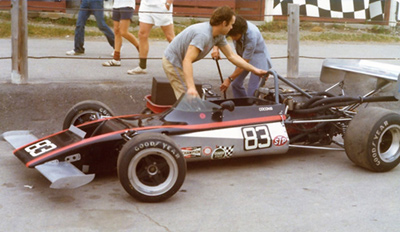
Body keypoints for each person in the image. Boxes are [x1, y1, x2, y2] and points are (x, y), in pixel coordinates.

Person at [162, 6, 268, 99]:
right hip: (173, 62)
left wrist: (255, 70)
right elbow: (187, 60)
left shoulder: (219, 36)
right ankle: (188, 118)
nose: (232, 28)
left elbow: (232, 56)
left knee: (192, 100)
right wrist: (191, 87)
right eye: (231, 24)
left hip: (181, 62)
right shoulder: (203, 34)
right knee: (191, 99)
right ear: (224, 23)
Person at [218, 15, 272, 98]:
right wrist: (215, 49)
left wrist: (229, 79)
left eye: (234, 36)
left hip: (258, 56)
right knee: (235, 83)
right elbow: (220, 36)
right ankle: (243, 103)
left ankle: (252, 106)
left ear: (242, 32)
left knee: (253, 89)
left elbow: (244, 63)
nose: (233, 38)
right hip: (243, 55)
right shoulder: (233, 26)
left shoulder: (252, 36)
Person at [127, 0, 175, 75]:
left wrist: (168, 3)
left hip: (161, 5)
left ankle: (182, 64)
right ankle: (142, 66)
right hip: (146, 6)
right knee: (142, 34)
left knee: (170, 36)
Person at [102, 0, 140, 66]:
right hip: (116, 5)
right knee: (117, 31)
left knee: (123, 32)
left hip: (127, 6)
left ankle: (140, 48)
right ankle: (116, 59)